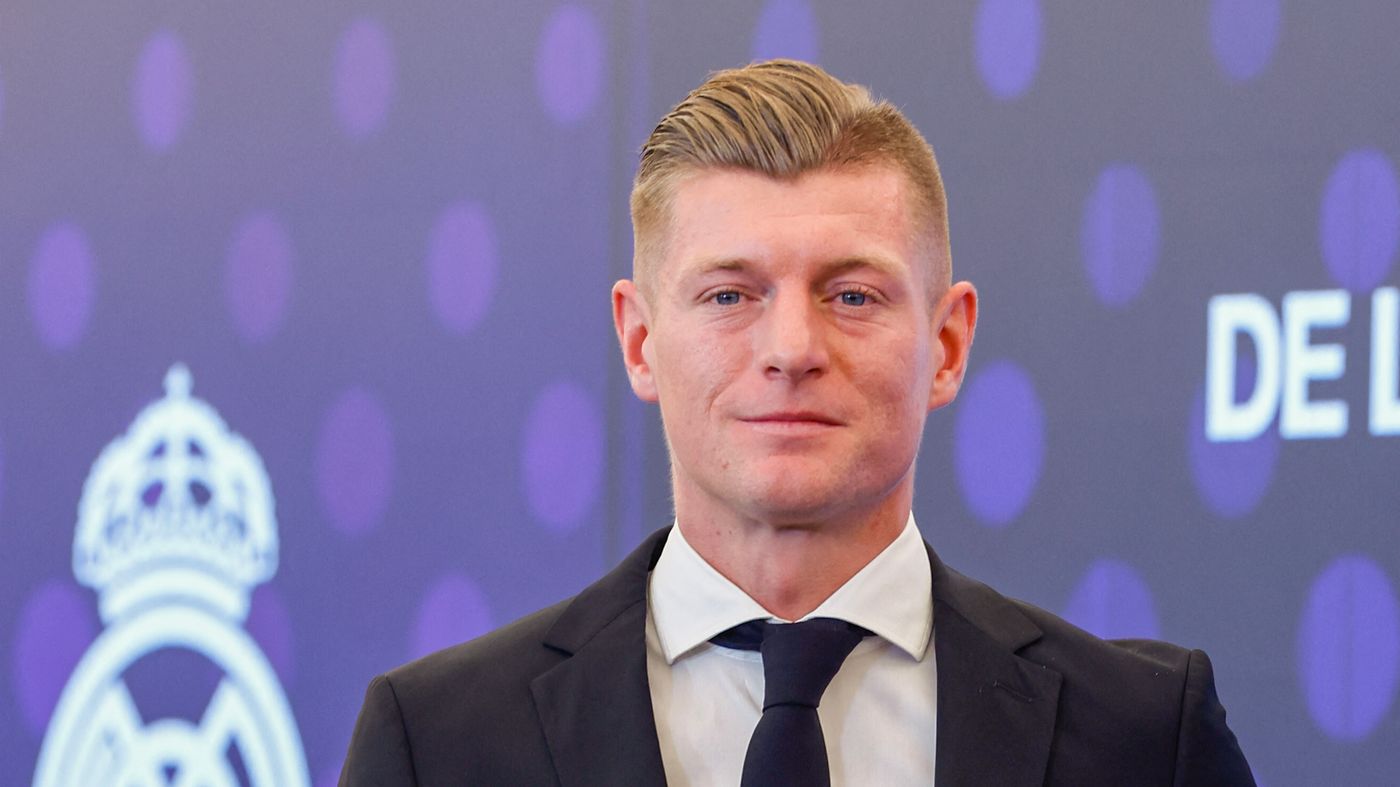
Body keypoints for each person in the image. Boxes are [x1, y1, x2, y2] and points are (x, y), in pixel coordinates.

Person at [340, 59, 1254, 786]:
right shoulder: (439, 741)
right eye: (729, 294)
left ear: (946, 344)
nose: (791, 348)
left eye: (852, 294)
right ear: (641, 341)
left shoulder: (1145, 735)